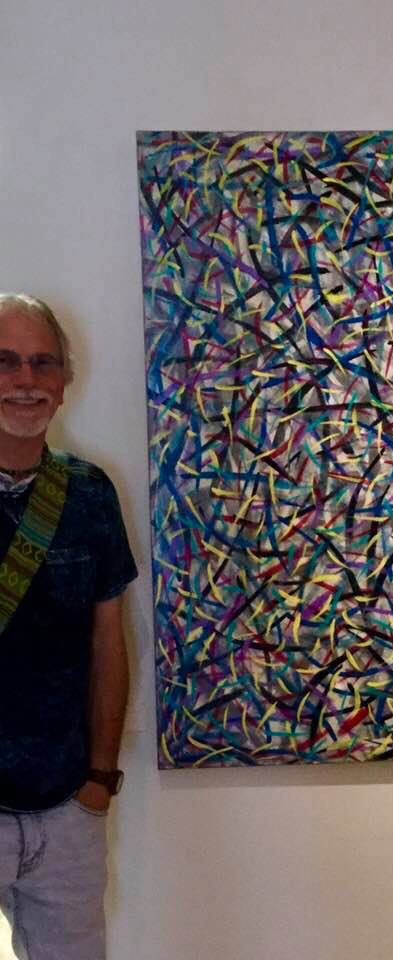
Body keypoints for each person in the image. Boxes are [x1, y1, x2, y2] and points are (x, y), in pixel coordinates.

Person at [0, 293, 137, 960]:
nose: (25, 380)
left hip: (65, 812)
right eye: (4, 362)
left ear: (63, 380)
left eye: (42, 362)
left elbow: (109, 642)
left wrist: (99, 783)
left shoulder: (89, 494)